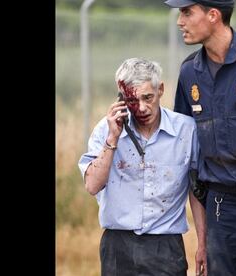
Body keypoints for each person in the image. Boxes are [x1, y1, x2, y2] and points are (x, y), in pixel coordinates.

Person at [78, 58, 207, 276]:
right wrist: (113, 139)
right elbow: (92, 185)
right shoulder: (105, 130)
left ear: (161, 90)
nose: (142, 107)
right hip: (118, 245)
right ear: (121, 97)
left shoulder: (186, 131)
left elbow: (197, 192)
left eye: (148, 97)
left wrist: (203, 244)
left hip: (165, 247)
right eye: (132, 100)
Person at [164, 1, 236, 276]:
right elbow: (190, 158)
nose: (179, 22)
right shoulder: (189, 73)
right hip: (221, 209)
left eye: (186, 13)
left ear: (213, 15)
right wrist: (202, 238)